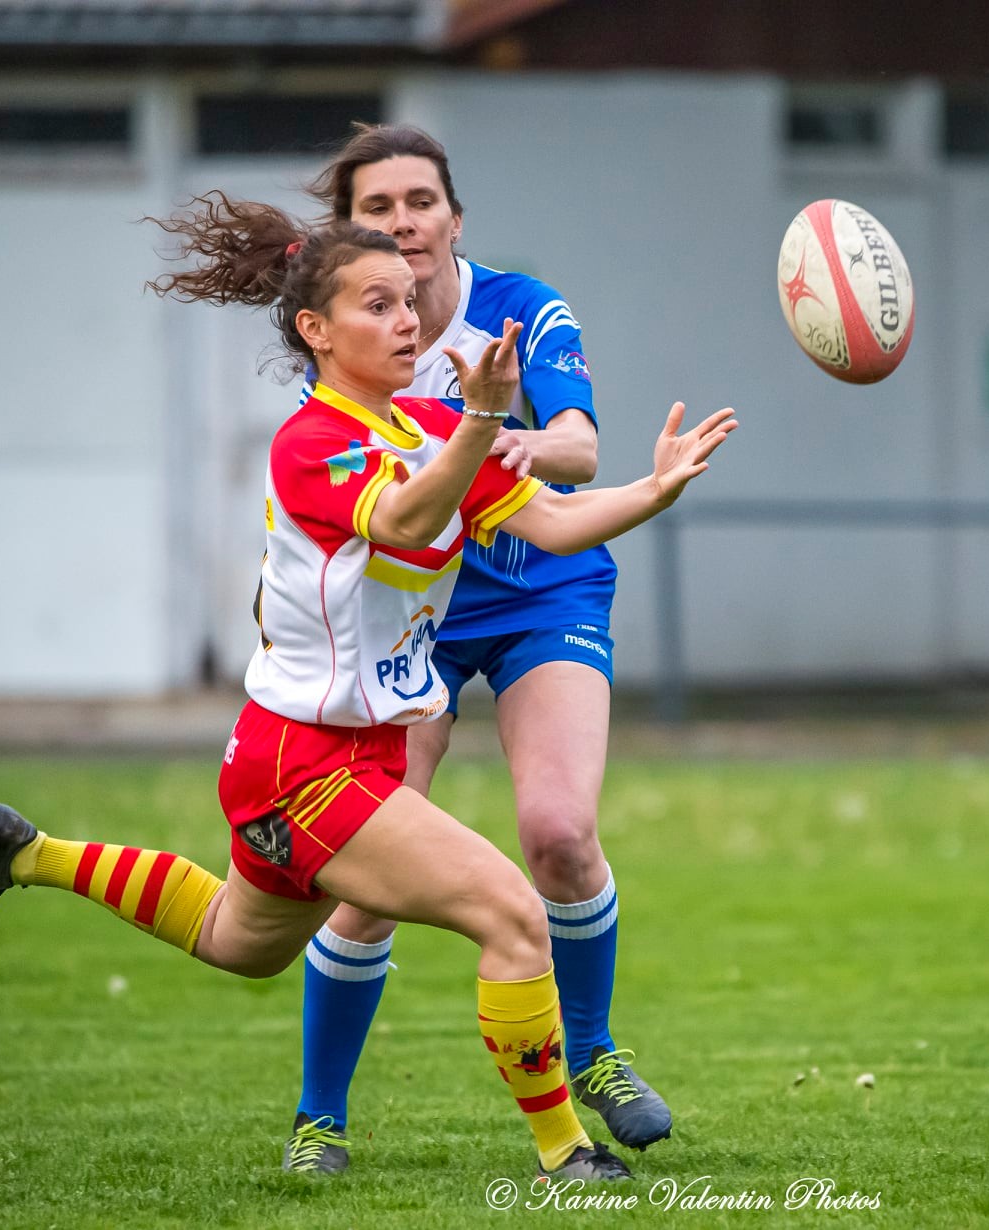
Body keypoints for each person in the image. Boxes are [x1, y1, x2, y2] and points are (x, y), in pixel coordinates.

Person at [0, 204, 736, 1184]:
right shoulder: (314, 442)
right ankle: (568, 1159)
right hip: (307, 764)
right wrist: (480, 422)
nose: (406, 322)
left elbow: (554, 523)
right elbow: (402, 516)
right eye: (376, 305)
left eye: (407, 304)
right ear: (316, 330)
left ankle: (25, 851)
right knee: (512, 916)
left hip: (323, 757)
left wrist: (656, 487)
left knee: (238, 941)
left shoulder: (429, 422)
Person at [283, 123, 667, 1173]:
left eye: (421, 201)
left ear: (456, 216)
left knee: (557, 831)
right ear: (348, 229)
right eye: (378, 208)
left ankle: (590, 1052)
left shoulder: (523, 308)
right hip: (419, 615)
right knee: (370, 882)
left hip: (544, 587)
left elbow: (582, 445)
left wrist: (509, 439)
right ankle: (320, 1119)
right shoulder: (359, 344)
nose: (403, 222)